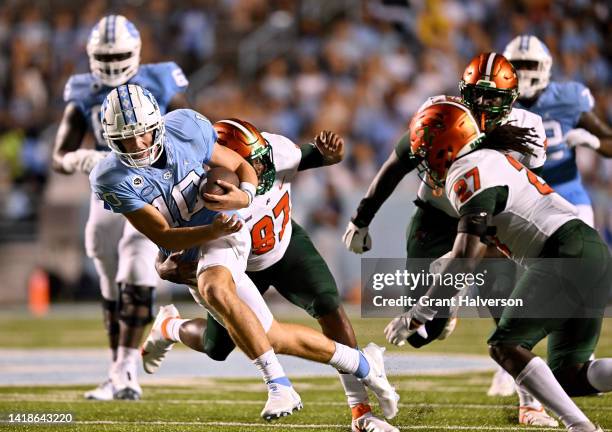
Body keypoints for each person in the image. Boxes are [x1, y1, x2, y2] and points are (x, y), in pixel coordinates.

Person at [90, 84, 399, 421]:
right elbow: (164, 231)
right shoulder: (129, 175)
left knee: (319, 306)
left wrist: (248, 194)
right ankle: (171, 328)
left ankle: (323, 399)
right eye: (126, 140)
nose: (137, 146)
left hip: (269, 245)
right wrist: (179, 251)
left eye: (143, 135)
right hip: (210, 245)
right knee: (244, 342)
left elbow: (258, 165)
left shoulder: (272, 153)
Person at [343, 53, 556, 426]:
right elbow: (397, 163)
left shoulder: (528, 127)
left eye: (494, 97)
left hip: (491, 225)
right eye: (478, 95)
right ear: (463, 92)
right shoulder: (443, 115)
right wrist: (361, 218)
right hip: (436, 219)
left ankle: (530, 403)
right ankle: (448, 300)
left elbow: (530, 187)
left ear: (512, 98)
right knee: (422, 333)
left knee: (507, 313)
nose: (485, 104)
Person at [384, 100, 612, 432]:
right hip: (586, 250)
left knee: (505, 347)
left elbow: (465, 257)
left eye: (426, 150)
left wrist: (419, 312)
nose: (423, 160)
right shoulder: (488, 159)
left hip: (564, 251)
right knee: (570, 376)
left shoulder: (467, 171)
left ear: (446, 145)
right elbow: (488, 250)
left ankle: (581, 428)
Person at [51, 14, 189, 400]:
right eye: (104, 56)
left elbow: (190, 127)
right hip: (107, 193)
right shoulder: (84, 90)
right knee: (109, 278)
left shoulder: (161, 79)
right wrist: (84, 159)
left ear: (137, 52)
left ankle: (125, 371)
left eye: (119, 56)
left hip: (151, 189)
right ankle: (119, 370)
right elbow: (58, 156)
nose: (112, 65)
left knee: (135, 264)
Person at [503, 35, 612, 227]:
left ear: (544, 66)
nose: (523, 72)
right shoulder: (500, 105)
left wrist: (594, 142)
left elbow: (609, 140)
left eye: (529, 65)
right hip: (524, 201)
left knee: (585, 254)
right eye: (517, 65)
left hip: (569, 196)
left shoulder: (568, 99)